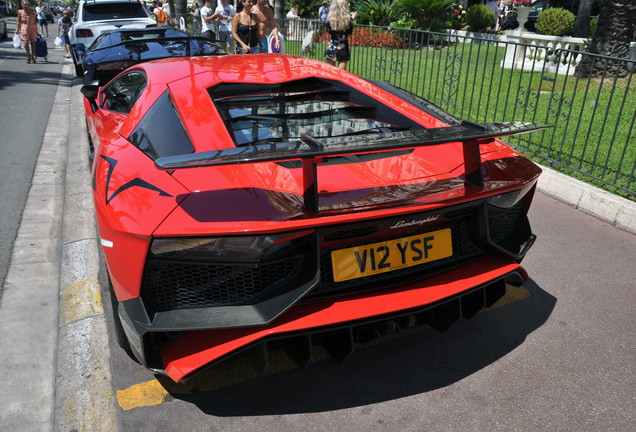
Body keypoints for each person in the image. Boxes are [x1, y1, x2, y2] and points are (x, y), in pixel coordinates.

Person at [323, 0, 356, 71]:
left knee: (330, 74)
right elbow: (349, 32)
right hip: (343, 46)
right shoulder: (348, 20)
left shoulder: (330, 19)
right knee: (341, 74)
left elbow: (328, 30)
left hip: (331, 45)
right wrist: (352, 19)